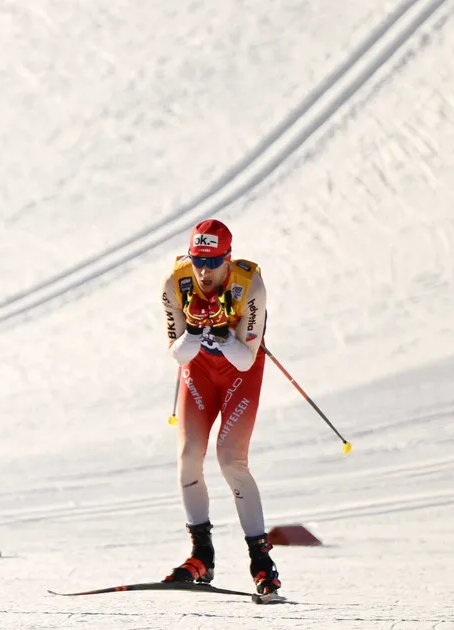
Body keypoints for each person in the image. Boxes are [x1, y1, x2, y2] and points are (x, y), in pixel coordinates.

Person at [158, 219, 280, 598]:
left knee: (231, 461)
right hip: (199, 370)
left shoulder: (249, 285)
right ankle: (201, 554)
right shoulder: (176, 282)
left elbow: (245, 360)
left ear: (228, 257)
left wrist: (224, 333)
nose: (204, 271)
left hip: (240, 372)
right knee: (188, 456)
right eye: (198, 260)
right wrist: (195, 330)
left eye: (213, 262)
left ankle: (261, 561)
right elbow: (178, 354)